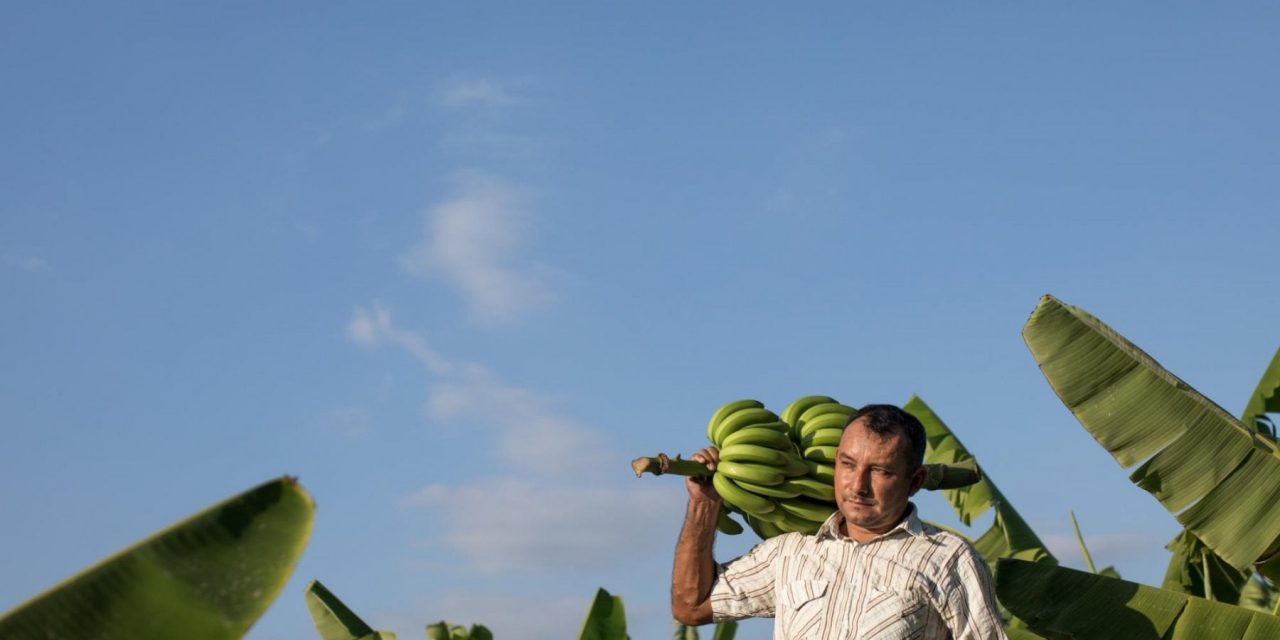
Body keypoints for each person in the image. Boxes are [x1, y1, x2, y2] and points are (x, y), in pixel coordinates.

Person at [671, 404, 1007, 639]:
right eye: (848, 465)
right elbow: (692, 606)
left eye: (880, 471)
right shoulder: (792, 552)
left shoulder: (947, 559)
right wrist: (703, 506)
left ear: (915, 481)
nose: (857, 486)